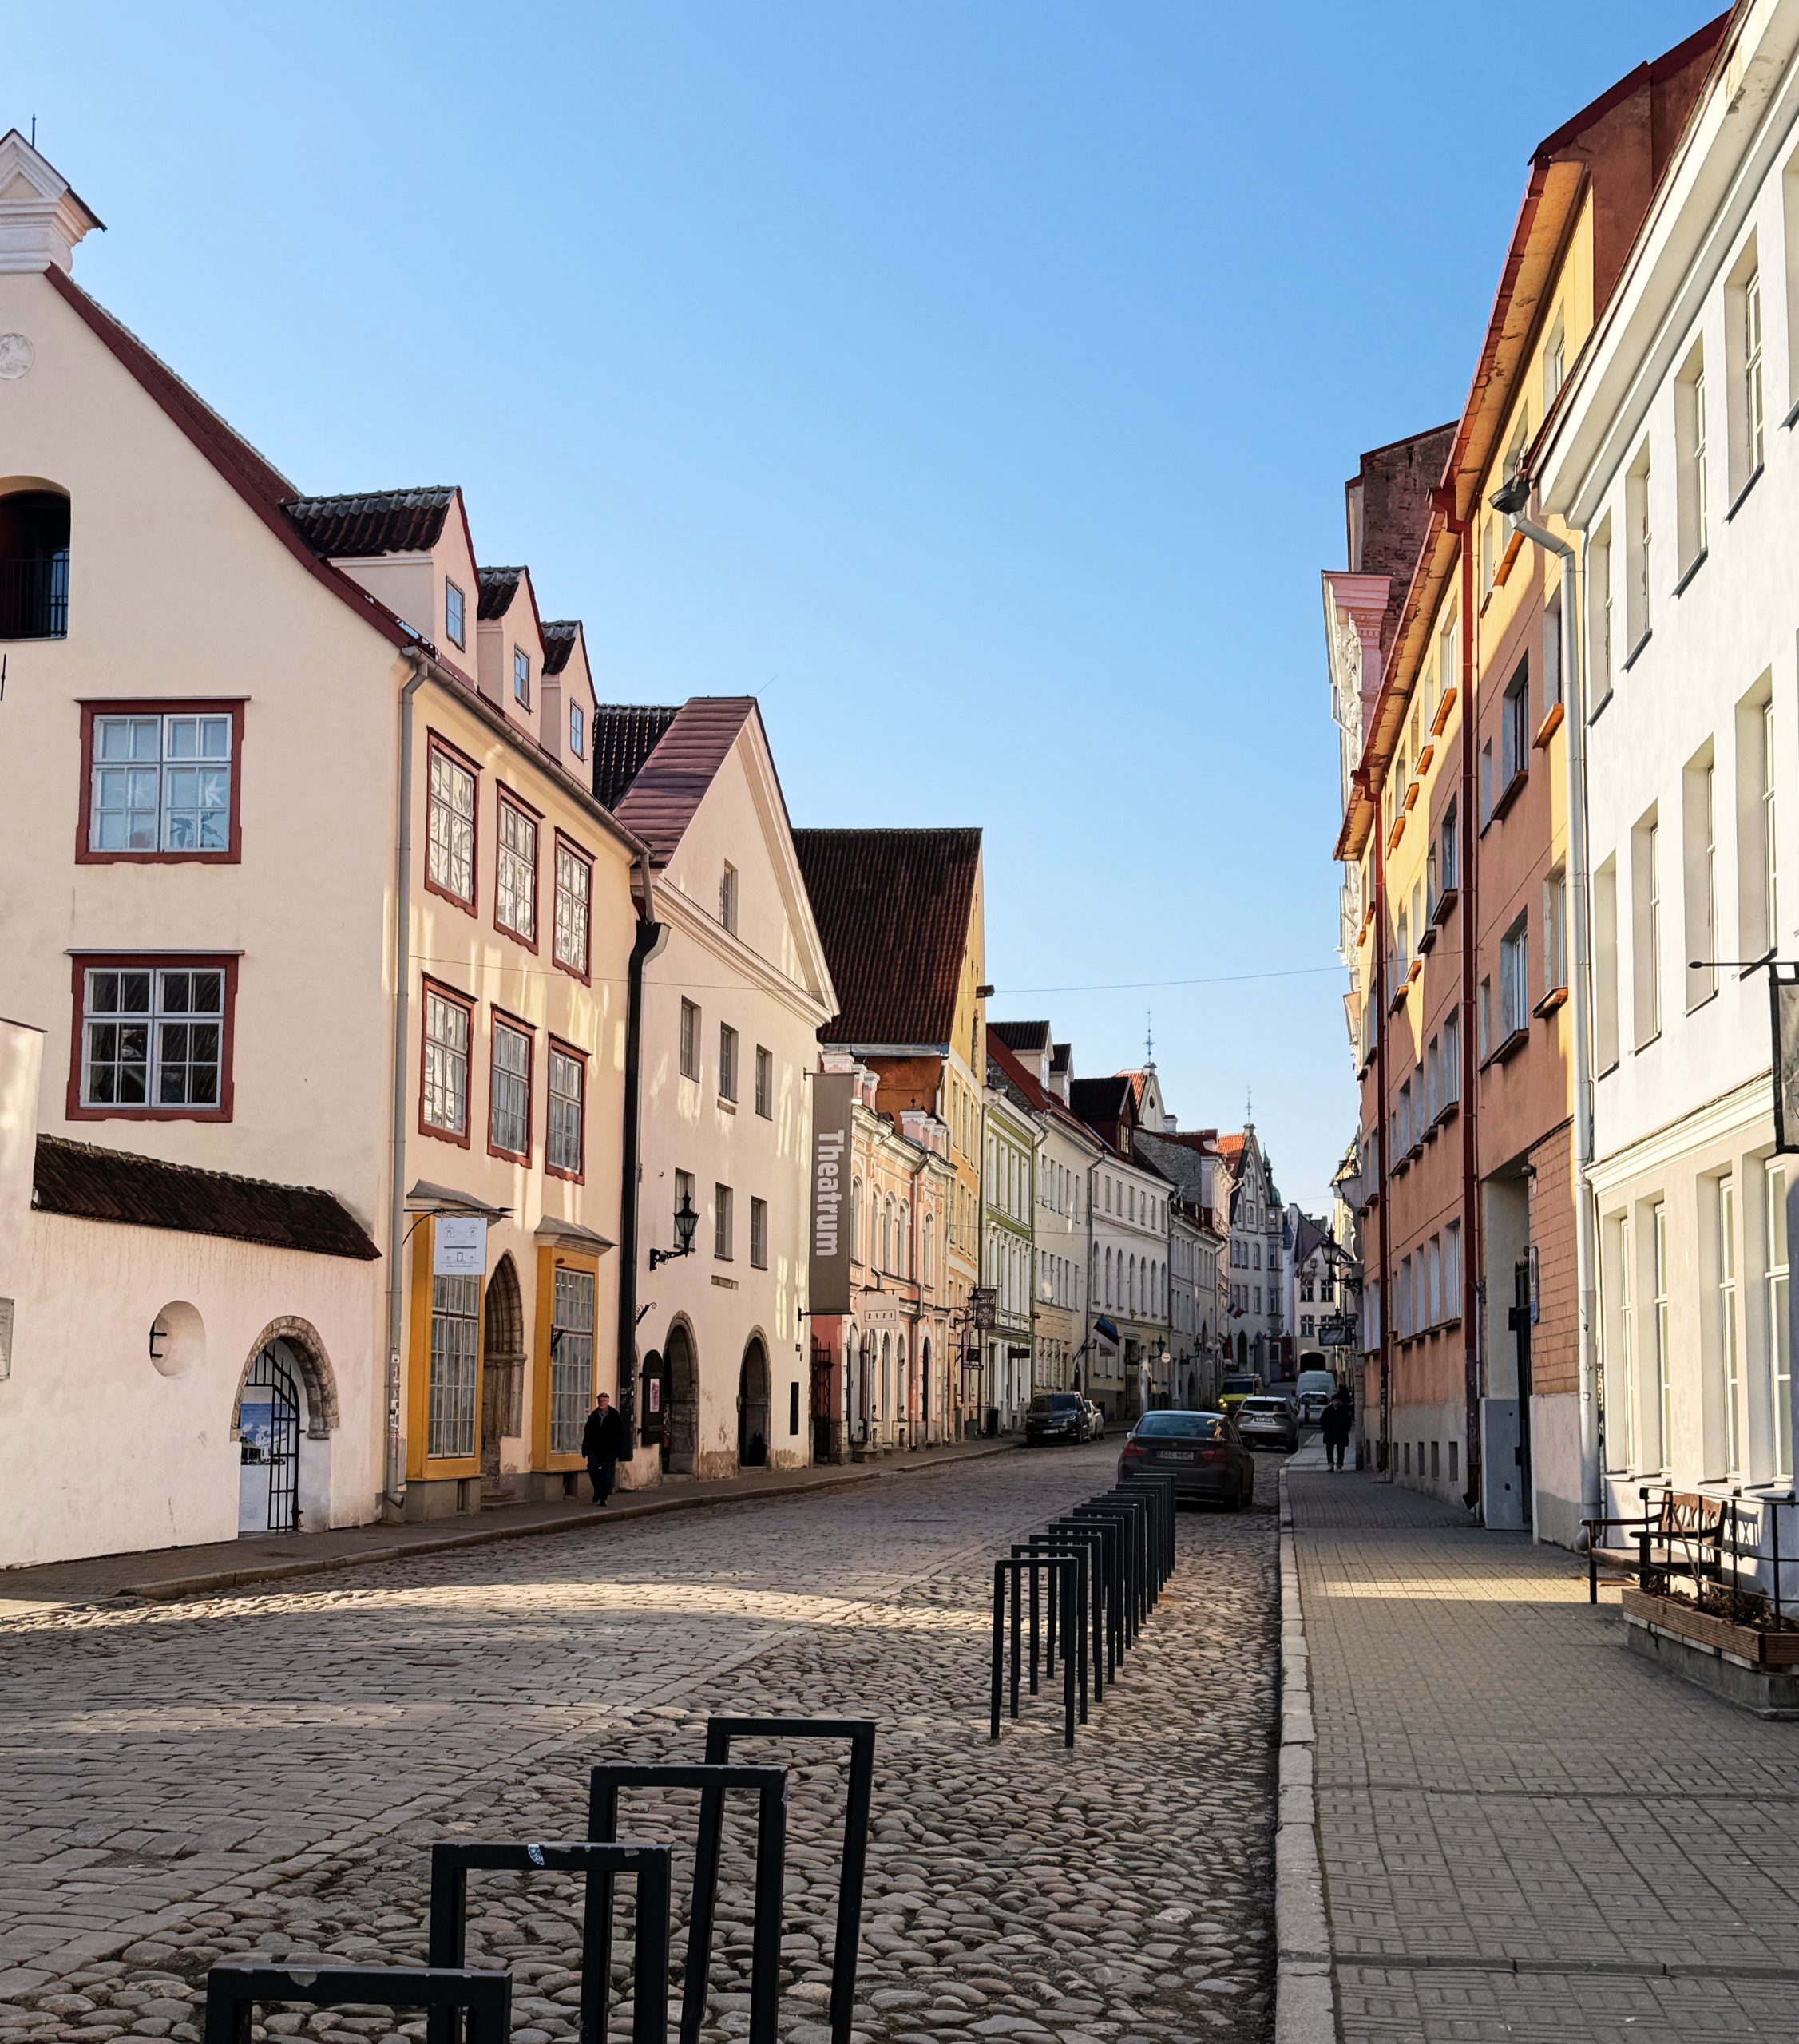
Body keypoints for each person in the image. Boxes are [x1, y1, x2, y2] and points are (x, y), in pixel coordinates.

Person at [581, 1392, 628, 1505]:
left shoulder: (614, 1415)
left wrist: (618, 1451)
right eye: (600, 1401)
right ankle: (598, 1490)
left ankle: (603, 1497)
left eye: (604, 1401)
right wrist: (585, 1449)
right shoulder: (593, 1416)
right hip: (594, 1448)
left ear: (608, 1402)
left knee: (606, 1473)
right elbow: (587, 1433)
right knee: (592, 1468)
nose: (602, 1403)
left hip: (609, 1449)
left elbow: (620, 1434)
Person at [1320, 1389, 1353, 1472]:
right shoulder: (1327, 1410)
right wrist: (1326, 1429)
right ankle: (1330, 1464)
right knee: (1329, 1449)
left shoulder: (1343, 1410)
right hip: (1330, 1434)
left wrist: (1346, 1431)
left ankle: (1339, 1465)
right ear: (1332, 1402)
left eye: (1338, 1401)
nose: (1337, 1402)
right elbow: (1322, 1421)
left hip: (1341, 1434)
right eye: (1335, 1401)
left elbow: (1348, 1422)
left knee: (1341, 1450)